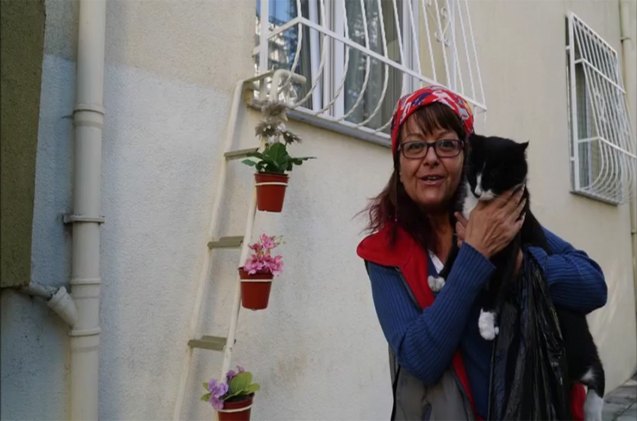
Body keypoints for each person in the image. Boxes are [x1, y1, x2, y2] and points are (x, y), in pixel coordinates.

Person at [356, 85, 607, 420]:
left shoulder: (504, 217)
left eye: (446, 144)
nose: (430, 158)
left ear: (469, 157)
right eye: (414, 146)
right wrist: (475, 256)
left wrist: (520, 265)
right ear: (399, 165)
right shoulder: (384, 253)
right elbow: (419, 359)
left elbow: (594, 286)